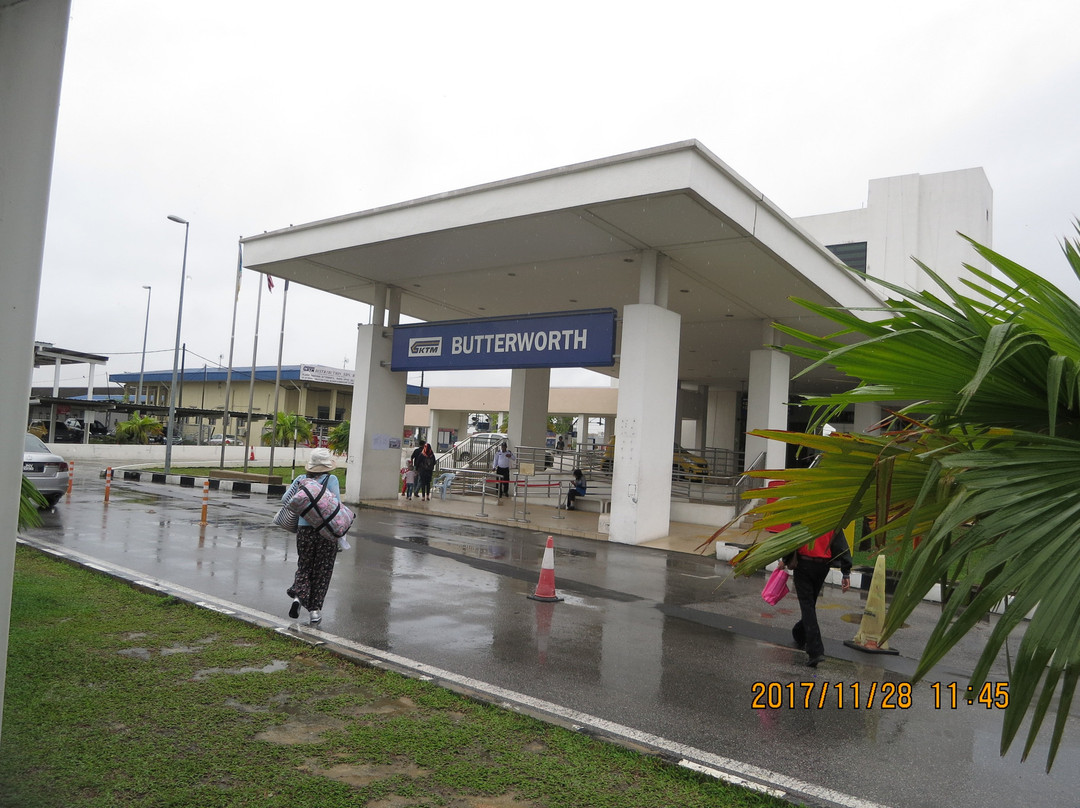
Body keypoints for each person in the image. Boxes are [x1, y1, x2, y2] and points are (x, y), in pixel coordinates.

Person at [285, 448, 342, 625]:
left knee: (304, 565)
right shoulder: (331, 479)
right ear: (327, 466)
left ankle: (298, 599)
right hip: (325, 530)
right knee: (322, 570)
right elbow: (337, 505)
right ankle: (315, 612)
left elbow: (286, 499)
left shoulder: (301, 479)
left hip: (304, 530)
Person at [782, 528, 852, 667]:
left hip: (804, 565)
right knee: (810, 604)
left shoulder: (803, 517)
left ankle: (815, 651)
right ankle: (799, 632)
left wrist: (784, 560)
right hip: (822, 567)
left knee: (807, 605)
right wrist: (846, 573)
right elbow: (841, 545)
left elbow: (791, 540)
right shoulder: (832, 520)